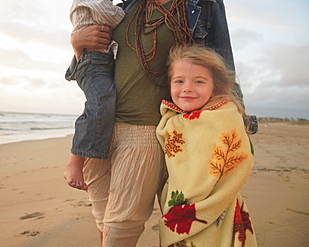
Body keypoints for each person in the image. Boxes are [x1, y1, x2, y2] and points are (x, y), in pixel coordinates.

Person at [65, 0, 257, 246]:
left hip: (144, 131)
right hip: (99, 129)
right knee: (103, 219)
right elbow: (98, 63)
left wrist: (239, 122)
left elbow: (222, 67)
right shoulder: (124, 8)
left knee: (121, 226)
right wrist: (77, 44)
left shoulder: (202, 5)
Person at [156, 44, 257, 246]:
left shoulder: (225, 117)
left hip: (218, 207)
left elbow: (238, 162)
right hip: (177, 208)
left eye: (199, 81)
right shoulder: (173, 121)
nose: (187, 88)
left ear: (215, 86)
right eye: (179, 81)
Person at [64, 0, 125, 191]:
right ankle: (75, 162)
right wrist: (123, 10)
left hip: (102, 61)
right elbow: (111, 16)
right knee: (100, 103)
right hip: (91, 62)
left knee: (103, 102)